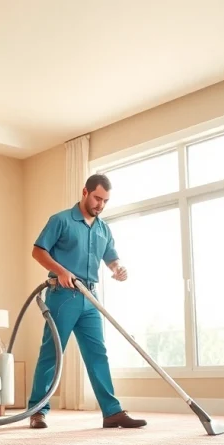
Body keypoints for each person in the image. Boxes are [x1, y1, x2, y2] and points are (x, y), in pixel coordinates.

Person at [27, 173, 147, 430]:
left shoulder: (104, 228)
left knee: (97, 354)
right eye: (97, 198)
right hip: (63, 295)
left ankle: (112, 412)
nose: (100, 205)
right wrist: (60, 270)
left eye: (105, 201)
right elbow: (38, 250)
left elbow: (111, 257)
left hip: (90, 298)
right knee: (53, 353)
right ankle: (37, 411)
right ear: (85, 192)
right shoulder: (61, 220)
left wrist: (118, 268)